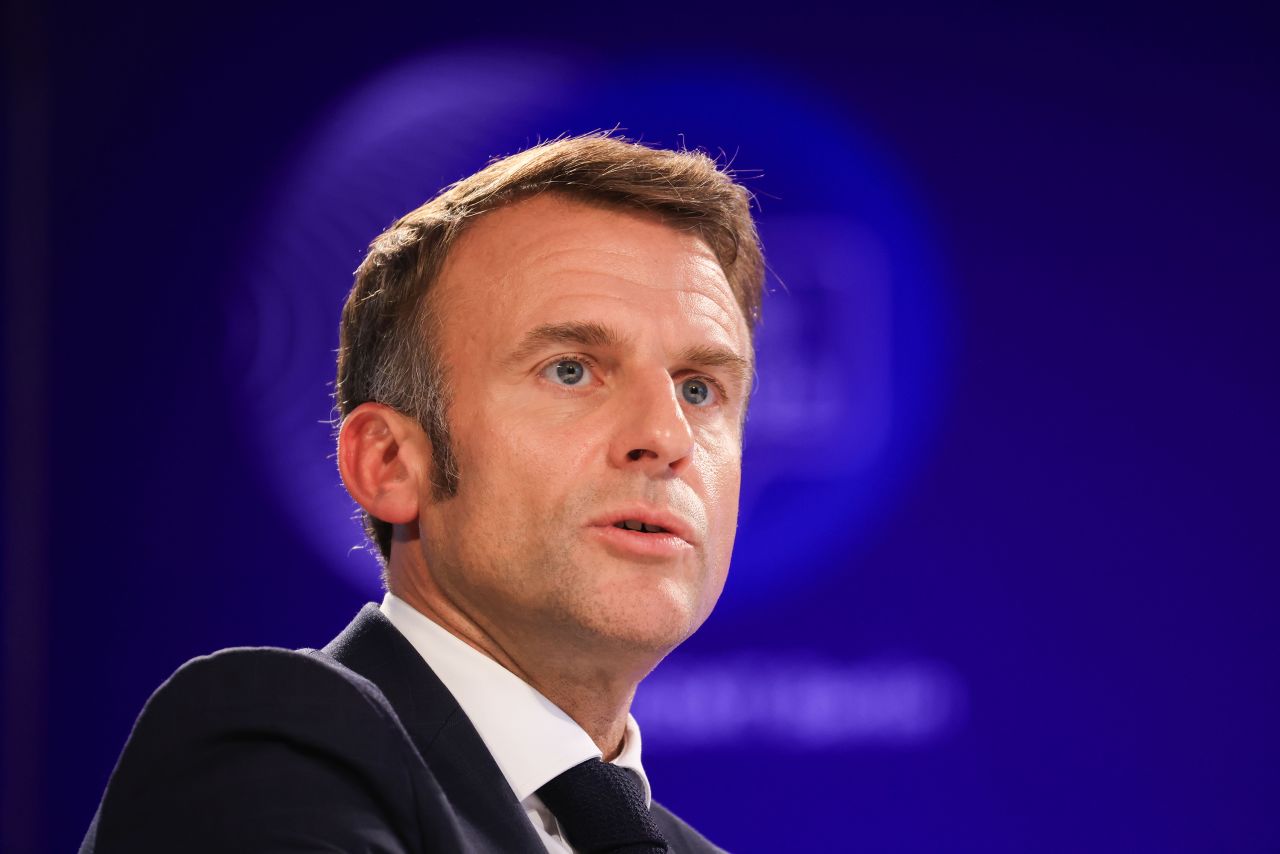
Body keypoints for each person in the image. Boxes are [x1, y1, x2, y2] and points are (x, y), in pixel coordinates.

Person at [81, 133, 765, 853]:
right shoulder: (269, 754)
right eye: (570, 370)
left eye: (700, 388)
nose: (667, 434)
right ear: (389, 463)